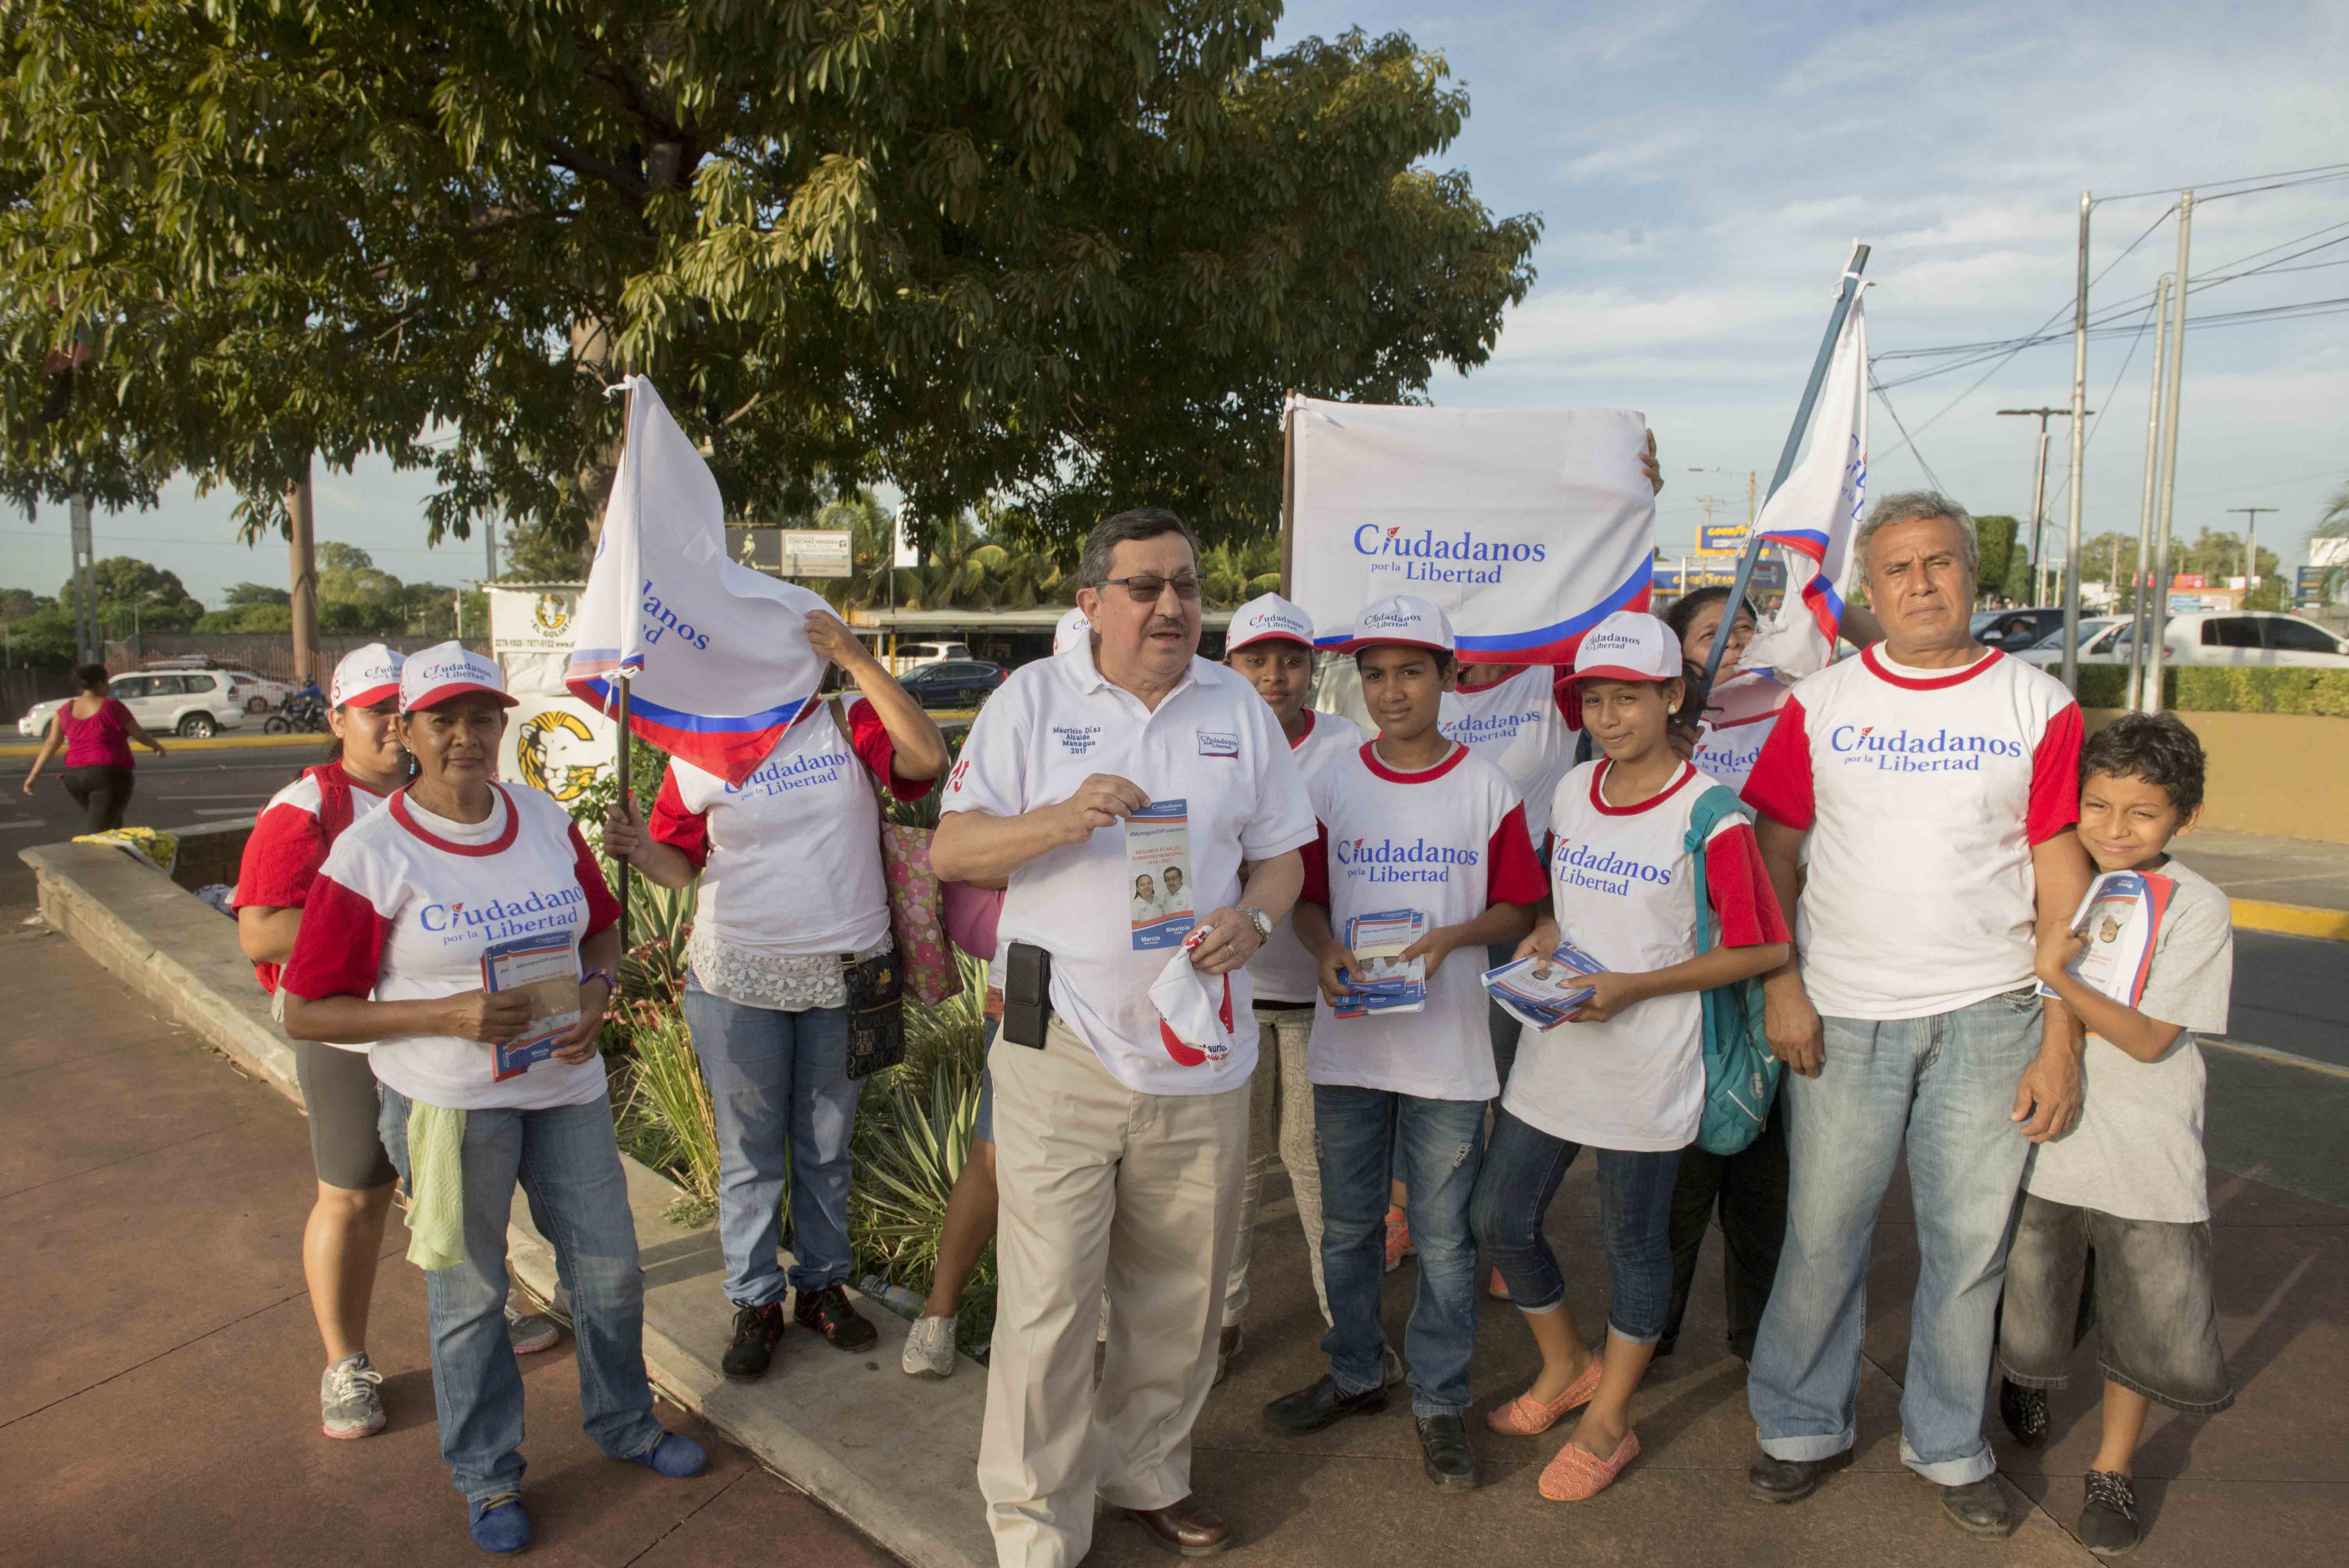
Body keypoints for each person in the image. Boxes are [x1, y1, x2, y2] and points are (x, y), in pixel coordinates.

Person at [931, 508, 1314, 1566]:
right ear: (1092, 602)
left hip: (1198, 1047)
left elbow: (1281, 854)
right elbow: (952, 852)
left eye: (1187, 586)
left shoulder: (1238, 707)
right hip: (1061, 1044)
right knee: (1052, 1303)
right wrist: (1064, 816)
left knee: (1181, 1296)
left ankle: (1148, 1471)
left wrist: (1260, 918)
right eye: (1144, 587)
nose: (1171, 606)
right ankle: (1036, 1524)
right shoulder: (1031, 704)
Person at [279, 643, 706, 1554]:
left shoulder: (543, 818)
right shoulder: (372, 851)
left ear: (503, 724)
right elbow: (306, 1008)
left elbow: (601, 929)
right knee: (471, 1295)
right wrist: (446, 1012)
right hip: (448, 1102)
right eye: (445, 718)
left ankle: (625, 1423)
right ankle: (487, 1473)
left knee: (611, 1272)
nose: (467, 735)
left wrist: (597, 995)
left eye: (483, 717)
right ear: (410, 731)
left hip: (566, 1085)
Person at [1737, 492, 2092, 1537]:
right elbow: (1775, 854)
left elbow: (2061, 874)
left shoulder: (2039, 703)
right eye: (1899, 569)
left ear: (1971, 578)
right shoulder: (1824, 703)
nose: (1922, 583)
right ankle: (1801, 1424)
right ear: (1872, 591)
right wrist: (1781, 985)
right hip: (1843, 1014)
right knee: (1822, 1236)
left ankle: (1948, 1443)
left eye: (1940, 563)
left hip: (1993, 1017)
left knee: (1967, 1244)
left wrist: (2062, 1033)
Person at [1470, 610, 1790, 1501]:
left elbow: (1761, 947)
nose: (1608, 717)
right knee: (1502, 1217)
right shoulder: (1575, 789)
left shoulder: (1709, 815)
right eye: (1595, 700)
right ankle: (1565, 1361)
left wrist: (1636, 986)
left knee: (1633, 1243)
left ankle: (1609, 1417)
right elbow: (1552, 896)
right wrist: (1541, 931)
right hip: (1557, 1050)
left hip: (1651, 1063)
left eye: (1628, 698)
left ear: (1671, 695)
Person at [605, 608, 946, 1379]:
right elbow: (678, 870)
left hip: (848, 971)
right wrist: (639, 848)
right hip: (738, 980)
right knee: (751, 1155)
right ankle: (755, 1298)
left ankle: (822, 1288)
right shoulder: (697, 749)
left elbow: (925, 758)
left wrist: (857, 660)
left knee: (826, 1146)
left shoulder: (844, 721)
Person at [233, 643, 556, 1441]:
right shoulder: (306, 807)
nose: (388, 725)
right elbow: (261, 931)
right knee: (355, 1193)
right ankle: (346, 1360)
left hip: (451, 1031)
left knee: (466, 1177)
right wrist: (382, 917)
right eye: (371, 710)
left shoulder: (454, 797)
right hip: (352, 1035)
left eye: (397, 710)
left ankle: (492, 1304)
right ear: (338, 718)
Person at [1264, 594, 1543, 1490]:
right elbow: (1305, 895)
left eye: (1410, 671)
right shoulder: (1331, 783)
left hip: (1449, 1055)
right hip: (1350, 1047)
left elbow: (1519, 906)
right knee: (1348, 1229)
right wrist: (1326, 948)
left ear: (1447, 678)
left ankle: (1439, 1397)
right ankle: (1355, 1370)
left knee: (1446, 1235)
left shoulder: (1486, 785)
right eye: (1375, 672)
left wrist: (1454, 937)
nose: (1390, 690)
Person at [1999, 713, 2234, 1557]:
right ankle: (2023, 1378)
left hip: (2145, 1145)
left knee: (2140, 1319)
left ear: (2183, 817)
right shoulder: (2058, 881)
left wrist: (2055, 972)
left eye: (2141, 812)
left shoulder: (2196, 907)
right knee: (2030, 1300)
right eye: (2096, 806)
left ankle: (2111, 1467)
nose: (2114, 828)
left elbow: (2146, 1038)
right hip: (2048, 1140)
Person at [902, 603, 1093, 1380]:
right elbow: (962, 856)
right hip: (1022, 983)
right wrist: (1058, 837)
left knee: (1107, 1174)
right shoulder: (1022, 727)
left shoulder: (1162, 735)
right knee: (992, 1154)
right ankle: (939, 1314)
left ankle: (1093, 1326)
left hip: (1130, 996)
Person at [1216, 593, 1363, 1376]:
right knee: (1235, 1171)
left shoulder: (1344, 744)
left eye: (1290, 659)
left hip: (1315, 998)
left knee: (1312, 1167)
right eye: (1256, 659)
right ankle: (1223, 1320)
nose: (1274, 675)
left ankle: (1348, 1326)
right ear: (1230, 665)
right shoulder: (1205, 736)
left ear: (1313, 668)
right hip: (1230, 994)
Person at [20, 662, 165, 830]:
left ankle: (116, 854)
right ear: (99, 684)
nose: (109, 687)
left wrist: (34, 775)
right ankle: (89, 856)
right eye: (107, 682)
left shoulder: (64, 711)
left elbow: (51, 744)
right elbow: (139, 734)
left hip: (74, 778)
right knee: (99, 830)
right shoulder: (113, 708)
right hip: (108, 776)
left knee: (110, 820)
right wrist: (156, 746)